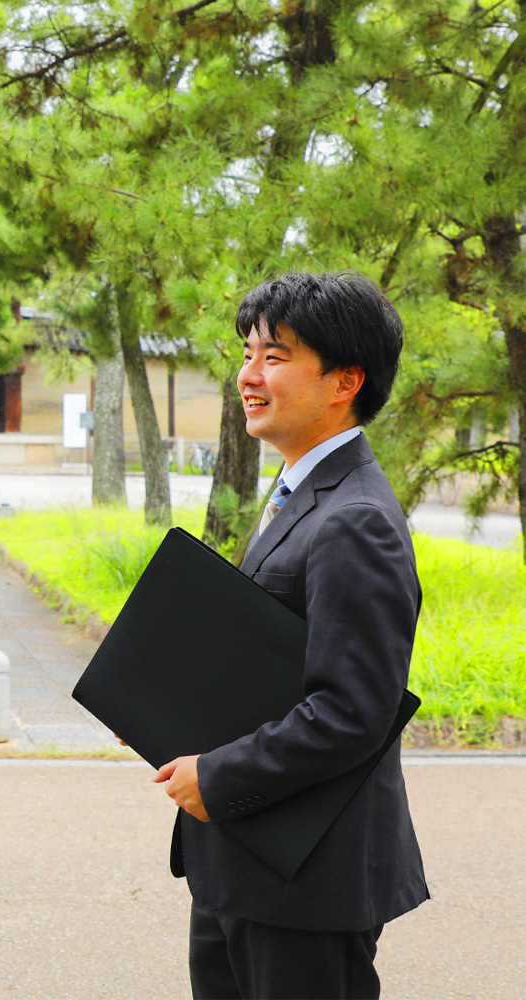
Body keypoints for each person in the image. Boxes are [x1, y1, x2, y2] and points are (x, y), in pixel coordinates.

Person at [154, 271, 429, 999]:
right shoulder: (297, 495)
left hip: (305, 881)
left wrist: (217, 775)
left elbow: (352, 711)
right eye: (246, 353)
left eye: (273, 357)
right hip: (245, 863)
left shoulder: (355, 520)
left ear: (345, 381)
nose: (248, 376)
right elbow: (275, 663)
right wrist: (164, 712)